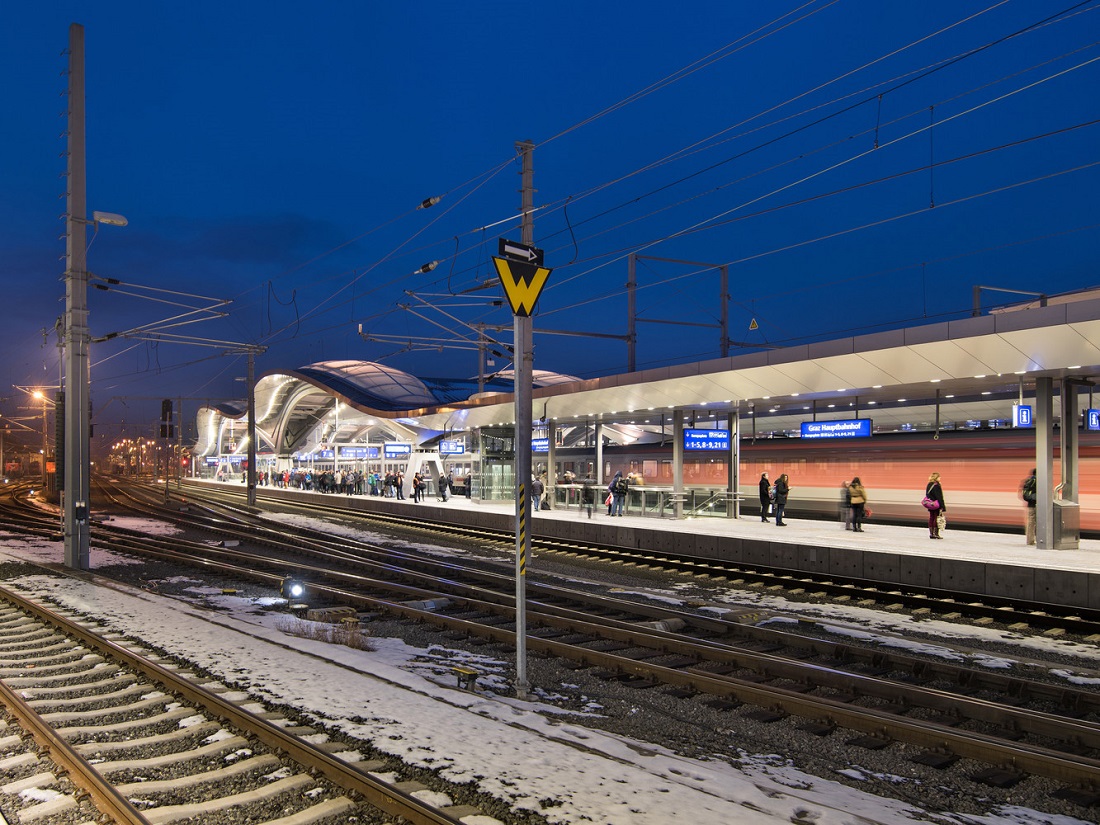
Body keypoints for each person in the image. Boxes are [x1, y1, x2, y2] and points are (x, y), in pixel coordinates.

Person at [926, 471, 946, 539]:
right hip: (936, 504)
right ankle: (936, 534)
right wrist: (942, 506)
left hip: (930, 504)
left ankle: (931, 534)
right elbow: (939, 497)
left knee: (931, 518)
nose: (940, 478)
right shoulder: (937, 485)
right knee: (936, 518)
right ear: (936, 478)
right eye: (939, 477)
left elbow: (927, 494)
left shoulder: (929, 484)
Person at [1021, 468, 1037, 545]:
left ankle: (1031, 540)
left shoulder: (1030, 480)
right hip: (1034, 505)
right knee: (1032, 522)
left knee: (1031, 522)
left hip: (1032, 504)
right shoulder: (1034, 480)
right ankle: (1030, 540)